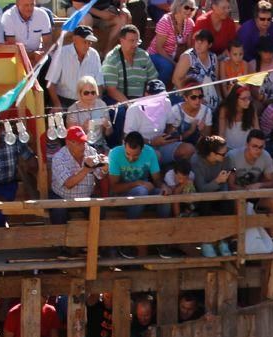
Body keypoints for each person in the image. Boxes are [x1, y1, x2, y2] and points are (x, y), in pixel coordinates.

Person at [107, 131, 171, 259]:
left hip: (144, 192)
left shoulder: (150, 152)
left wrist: (163, 186)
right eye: (128, 154)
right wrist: (138, 183)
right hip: (122, 195)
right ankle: (128, 240)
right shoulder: (114, 153)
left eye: (135, 156)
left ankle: (162, 240)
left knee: (163, 196)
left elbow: (156, 180)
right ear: (123, 146)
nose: (131, 158)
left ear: (142, 149)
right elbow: (114, 187)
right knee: (141, 191)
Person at [101, 24, 159, 144]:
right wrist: (130, 104)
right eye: (131, 41)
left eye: (137, 41)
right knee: (120, 112)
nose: (135, 44)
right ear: (121, 41)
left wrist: (150, 97)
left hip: (142, 97)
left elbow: (154, 80)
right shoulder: (112, 59)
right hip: (119, 99)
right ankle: (115, 145)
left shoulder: (143, 55)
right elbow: (111, 89)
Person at [124, 79, 195, 167]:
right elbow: (128, 137)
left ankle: (174, 172)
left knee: (189, 149)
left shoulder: (166, 102)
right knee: (156, 156)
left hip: (162, 144)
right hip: (142, 148)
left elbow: (170, 124)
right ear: (146, 95)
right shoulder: (134, 109)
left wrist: (170, 135)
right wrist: (151, 142)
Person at [50, 126, 109, 224]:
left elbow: (99, 175)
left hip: (86, 197)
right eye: (79, 143)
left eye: (84, 142)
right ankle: (58, 239)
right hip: (62, 197)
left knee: (100, 210)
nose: (83, 146)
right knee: (58, 212)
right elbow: (68, 184)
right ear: (68, 143)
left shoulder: (91, 151)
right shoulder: (58, 157)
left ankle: (92, 238)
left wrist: (105, 168)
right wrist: (86, 169)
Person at [190, 135, 234, 256]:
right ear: (211, 154)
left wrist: (222, 193)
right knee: (205, 204)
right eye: (222, 154)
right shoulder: (196, 161)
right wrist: (217, 182)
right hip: (202, 197)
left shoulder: (226, 159)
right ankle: (206, 242)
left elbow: (225, 185)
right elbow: (201, 188)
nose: (226, 155)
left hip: (219, 193)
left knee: (229, 203)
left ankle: (224, 242)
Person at [47, 26, 103, 111]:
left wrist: (95, 104)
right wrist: (57, 104)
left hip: (87, 101)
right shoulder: (62, 53)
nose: (87, 46)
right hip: (63, 101)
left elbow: (99, 84)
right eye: (85, 42)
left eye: (90, 43)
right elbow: (50, 84)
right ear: (75, 39)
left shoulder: (94, 55)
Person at [228, 129, 273, 221]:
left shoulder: (266, 157)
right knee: (239, 202)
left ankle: (272, 235)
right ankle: (240, 235)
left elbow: (272, 182)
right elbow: (231, 185)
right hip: (237, 194)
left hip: (256, 193)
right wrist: (246, 190)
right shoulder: (233, 156)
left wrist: (260, 185)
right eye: (254, 146)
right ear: (247, 145)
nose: (258, 150)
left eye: (261, 147)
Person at [148, 0, 196, 87]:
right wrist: (174, 63)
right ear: (178, 6)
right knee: (168, 67)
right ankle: (158, 91)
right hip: (156, 54)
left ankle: (180, 94)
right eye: (186, 7)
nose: (189, 11)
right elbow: (159, 48)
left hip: (176, 56)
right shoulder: (165, 21)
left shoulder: (190, 23)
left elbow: (189, 47)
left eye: (192, 9)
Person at [172, 27, 219, 112]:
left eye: (203, 41)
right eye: (197, 41)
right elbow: (175, 79)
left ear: (210, 45)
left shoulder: (213, 57)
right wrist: (191, 98)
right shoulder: (187, 57)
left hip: (207, 96)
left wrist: (219, 98)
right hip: (185, 96)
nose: (198, 44)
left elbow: (216, 82)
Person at [64, 75, 113, 153]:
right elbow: (71, 137)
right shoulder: (73, 109)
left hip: (100, 144)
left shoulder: (101, 105)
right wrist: (83, 128)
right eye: (86, 93)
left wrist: (108, 126)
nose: (90, 96)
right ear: (80, 94)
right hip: (81, 146)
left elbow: (108, 133)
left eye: (93, 92)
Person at [1, 0, 52, 65]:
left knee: (48, 59)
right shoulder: (8, 16)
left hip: (37, 54)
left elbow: (47, 43)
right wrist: (31, 56)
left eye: (32, 4)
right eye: (26, 5)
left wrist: (41, 53)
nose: (29, 8)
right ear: (17, 4)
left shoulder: (42, 14)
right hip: (16, 56)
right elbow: (12, 47)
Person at [166, 80, 213, 148]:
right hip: (179, 147)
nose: (197, 100)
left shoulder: (206, 111)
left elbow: (207, 137)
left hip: (198, 147)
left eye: (200, 97)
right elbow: (171, 139)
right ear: (185, 98)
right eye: (193, 97)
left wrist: (202, 130)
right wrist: (190, 131)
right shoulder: (176, 111)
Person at [219, 85, 259, 152]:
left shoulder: (252, 109)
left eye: (249, 98)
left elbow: (257, 129)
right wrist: (222, 150)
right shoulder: (225, 110)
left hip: (247, 149)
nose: (248, 101)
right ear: (235, 99)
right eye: (244, 99)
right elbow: (221, 133)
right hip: (229, 149)